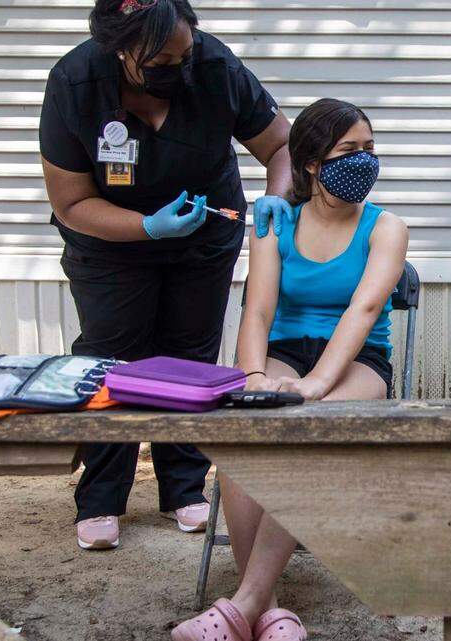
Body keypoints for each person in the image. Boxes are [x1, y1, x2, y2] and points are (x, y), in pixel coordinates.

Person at [39, 0, 296, 550]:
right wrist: (148, 228)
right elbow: (71, 202)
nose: (180, 68)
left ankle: (183, 488)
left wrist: (276, 196)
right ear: (121, 51)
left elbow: (281, 145)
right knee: (112, 357)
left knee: (189, 355)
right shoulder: (74, 84)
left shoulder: (216, 68)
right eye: (161, 61)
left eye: (186, 54)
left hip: (204, 234)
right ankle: (101, 496)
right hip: (107, 243)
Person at [171, 98, 407, 641]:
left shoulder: (386, 228)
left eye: (370, 148)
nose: (365, 160)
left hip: (357, 359)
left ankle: (243, 605)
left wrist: (316, 385)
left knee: (309, 429)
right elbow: (257, 311)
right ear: (311, 163)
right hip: (284, 350)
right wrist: (254, 378)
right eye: (349, 150)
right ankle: (269, 609)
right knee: (242, 430)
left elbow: (365, 309)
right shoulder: (276, 225)